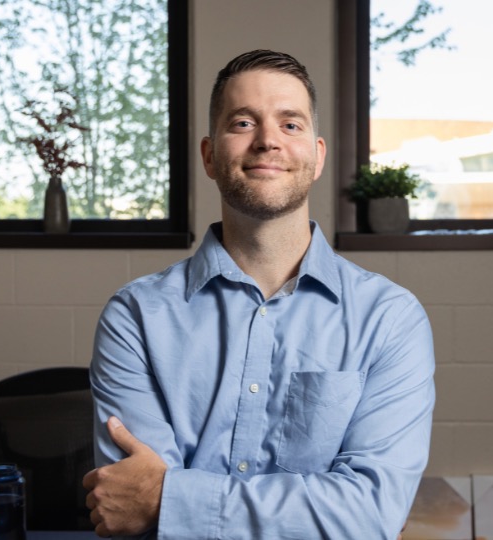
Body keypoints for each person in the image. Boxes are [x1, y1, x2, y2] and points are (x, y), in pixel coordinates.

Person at [83, 49, 435, 539]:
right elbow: (130, 507)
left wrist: (171, 500)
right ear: (209, 156)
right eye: (243, 122)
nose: (268, 141)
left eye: (290, 125)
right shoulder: (135, 317)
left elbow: (368, 515)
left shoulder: (390, 319)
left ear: (317, 157)